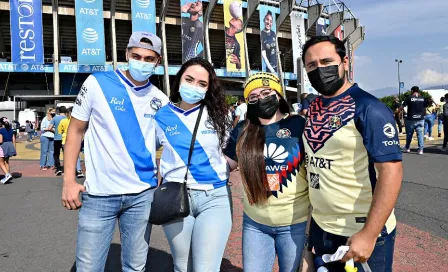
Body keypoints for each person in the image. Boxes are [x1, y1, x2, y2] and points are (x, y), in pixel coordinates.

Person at [61, 31, 169, 272]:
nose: (142, 61)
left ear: (158, 62)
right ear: (127, 54)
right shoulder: (96, 83)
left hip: (142, 196)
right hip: (99, 194)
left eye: (149, 58)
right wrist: (69, 180)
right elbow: (75, 131)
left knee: (135, 267)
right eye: (137, 55)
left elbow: (168, 143)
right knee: (88, 268)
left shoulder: (160, 100)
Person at [301, 35, 403, 272]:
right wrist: (309, 236)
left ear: (345, 62)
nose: (320, 69)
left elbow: (391, 171)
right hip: (322, 230)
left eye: (327, 61)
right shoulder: (313, 109)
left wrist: (369, 234)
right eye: (312, 65)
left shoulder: (370, 108)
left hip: (360, 235)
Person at [224, 72, 309, 271]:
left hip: (294, 224)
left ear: (278, 95)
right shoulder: (244, 130)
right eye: (253, 97)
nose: (260, 99)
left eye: (266, 92)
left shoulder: (299, 125)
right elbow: (226, 164)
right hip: (255, 224)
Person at [155, 57, 232, 272]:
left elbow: (229, 153)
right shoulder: (161, 116)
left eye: (202, 83)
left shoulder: (219, 115)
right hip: (175, 197)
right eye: (189, 79)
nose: (194, 87)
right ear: (179, 80)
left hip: (214, 198)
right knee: (182, 266)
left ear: (208, 88)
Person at [402, 86, 430, 154]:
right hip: (420, 119)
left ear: (412, 91)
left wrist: (396, 112)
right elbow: (426, 106)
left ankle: (407, 148)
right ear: (418, 91)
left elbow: (402, 106)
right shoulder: (423, 98)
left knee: (409, 134)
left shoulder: (409, 98)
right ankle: (420, 149)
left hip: (411, 119)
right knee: (420, 134)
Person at [58, 107, 84, 178]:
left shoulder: (63, 121)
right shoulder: (78, 121)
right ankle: (79, 171)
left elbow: (59, 131)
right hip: (75, 140)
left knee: (67, 156)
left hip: (65, 140)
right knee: (76, 156)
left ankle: (68, 172)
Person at [48, 106, 67, 175]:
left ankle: (58, 168)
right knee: (66, 154)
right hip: (65, 139)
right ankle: (66, 168)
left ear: (58, 111)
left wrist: (55, 131)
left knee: (56, 154)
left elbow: (49, 128)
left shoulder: (55, 118)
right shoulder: (67, 118)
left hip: (57, 138)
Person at [0, 118, 17, 184]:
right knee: (7, 161)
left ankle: (7, 175)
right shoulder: (11, 130)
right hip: (10, 145)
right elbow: (14, 140)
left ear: (1, 123)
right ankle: (7, 175)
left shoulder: (1, 130)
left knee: (1, 162)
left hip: (4, 145)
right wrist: (14, 148)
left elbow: (0, 141)